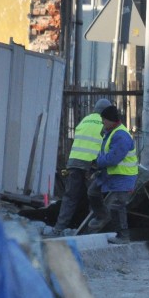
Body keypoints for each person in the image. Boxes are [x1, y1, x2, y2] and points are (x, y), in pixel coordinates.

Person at [51, 98, 111, 236]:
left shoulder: (85, 120)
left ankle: (59, 228)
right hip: (91, 164)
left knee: (70, 196)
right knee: (94, 197)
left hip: (74, 162)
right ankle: (91, 230)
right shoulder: (105, 123)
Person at [87, 105, 138, 244]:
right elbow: (107, 154)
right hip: (110, 174)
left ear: (111, 120)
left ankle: (123, 236)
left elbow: (113, 158)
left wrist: (97, 163)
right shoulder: (112, 132)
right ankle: (102, 216)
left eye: (104, 120)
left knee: (117, 205)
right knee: (92, 192)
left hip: (123, 176)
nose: (102, 123)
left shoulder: (121, 135)